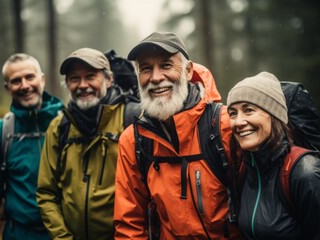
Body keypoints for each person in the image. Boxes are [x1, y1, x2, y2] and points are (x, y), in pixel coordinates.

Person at [114, 31, 243, 239]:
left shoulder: (224, 126)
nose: (156, 78)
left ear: (188, 70)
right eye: (146, 69)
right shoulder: (133, 141)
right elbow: (130, 222)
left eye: (166, 65)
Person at [36, 47, 141, 239]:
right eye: (74, 78)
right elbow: (46, 192)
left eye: (91, 76)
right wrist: (62, 237)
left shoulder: (133, 119)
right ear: (67, 84)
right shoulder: (59, 127)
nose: (83, 85)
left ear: (109, 80)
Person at [0, 53, 64, 239]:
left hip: (64, 234)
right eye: (16, 81)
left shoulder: (67, 125)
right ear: (7, 87)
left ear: (42, 79)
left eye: (30, 77)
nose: (25, 86)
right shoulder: (0, 134)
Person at [226, 72, 320, 240]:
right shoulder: (245, 170)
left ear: (275, 114)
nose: (238, 122)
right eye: (233, 113)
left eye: (248, 110)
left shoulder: (305, 173)